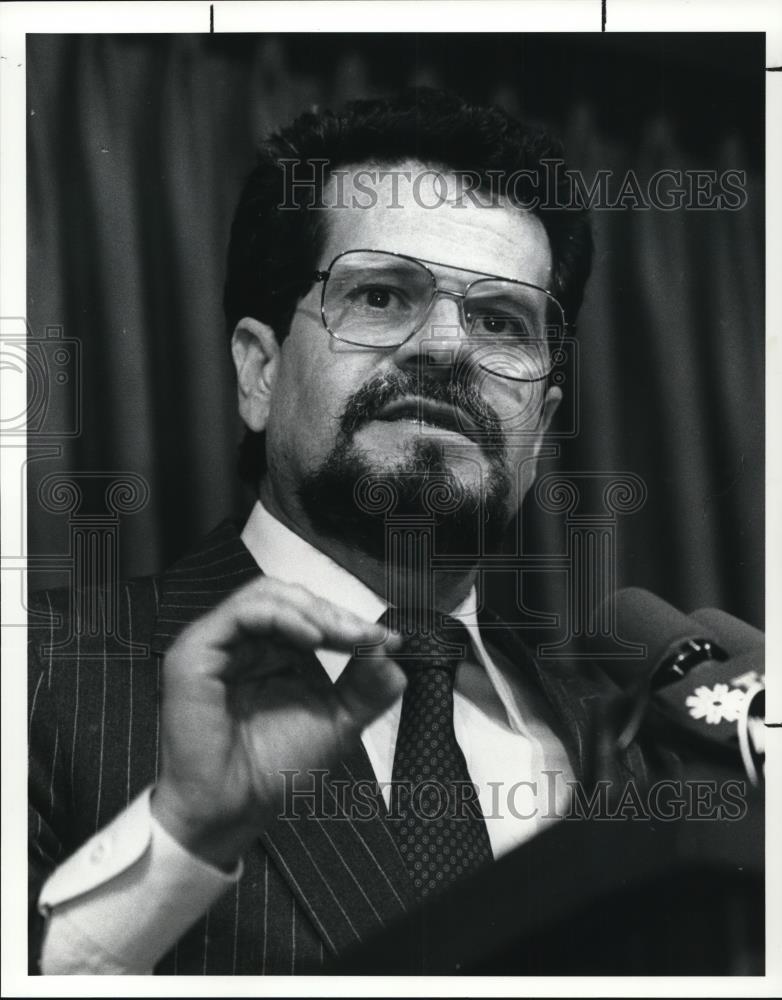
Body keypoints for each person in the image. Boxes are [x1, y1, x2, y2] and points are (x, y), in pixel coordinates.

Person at [28, 88, 658, 975]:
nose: (446, 349)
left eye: (501, 322)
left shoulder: (634, 741)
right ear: (259, 370)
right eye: (381, 295)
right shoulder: (40, 679)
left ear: (543, 421)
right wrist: (182, 838)